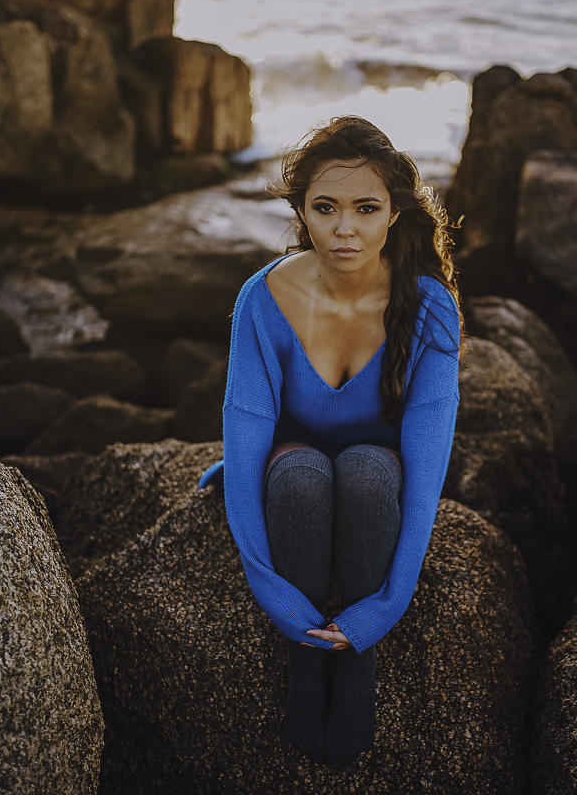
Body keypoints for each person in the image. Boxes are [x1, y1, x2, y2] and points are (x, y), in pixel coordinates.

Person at [198, 115, 462, 766]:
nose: (346, 229)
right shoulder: (263, 298)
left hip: (379, 465)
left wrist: (383, 610)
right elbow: (247, 432)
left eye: (366, 209)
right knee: (301, 478)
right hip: (295, 458)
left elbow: (426, 470)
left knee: (368, 474)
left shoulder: (429, 306)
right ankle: (307, 661)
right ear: (301, 212)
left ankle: (355, 669)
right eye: (326, 208)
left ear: (394, 213)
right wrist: (276, 597)